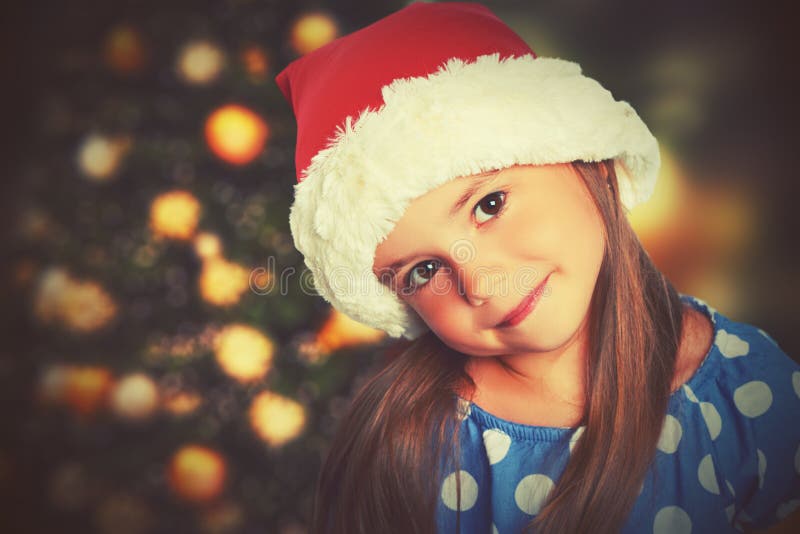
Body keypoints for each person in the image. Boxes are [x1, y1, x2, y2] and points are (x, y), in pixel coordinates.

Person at [274, 2, 800, 533]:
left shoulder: (747, 391)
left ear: (588, 159)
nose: (480, 284)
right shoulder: (415, 446)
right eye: (424, 270)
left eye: (490, 205)